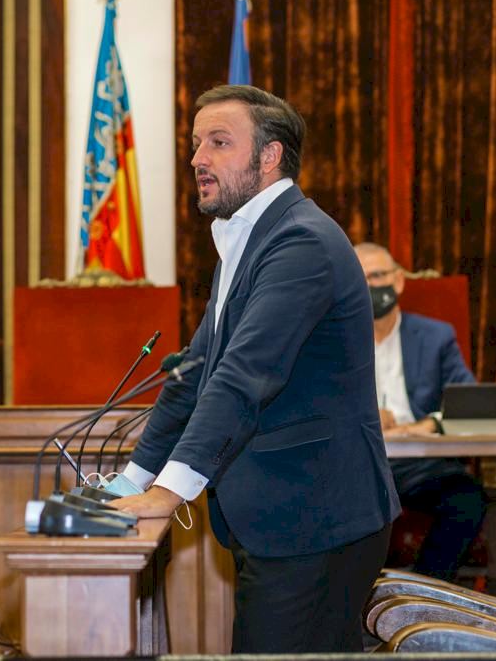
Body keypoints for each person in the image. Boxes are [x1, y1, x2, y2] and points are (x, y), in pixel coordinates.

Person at [109, 85, 400, 653]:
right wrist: (133, 479)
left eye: (219, 143)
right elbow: (195, 373)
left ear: (269, 156)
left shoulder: (301, 242)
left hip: (317, 519)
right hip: (285, 520)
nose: (197, 159)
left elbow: (244, 376)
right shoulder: (249, 241)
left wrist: (168, 494)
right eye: (196, 144)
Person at [355, 242, 486, 582]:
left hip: (421, 462)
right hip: (360, 462)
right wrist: (365, 416)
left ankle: (422, 592)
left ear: (398, 281)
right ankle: (356, 601)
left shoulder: (435, 336)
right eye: (360, 278)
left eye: (377, 276)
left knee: (467, 500)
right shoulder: (331, 340)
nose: (370, 286)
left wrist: (429, 424)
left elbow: (468, 401)